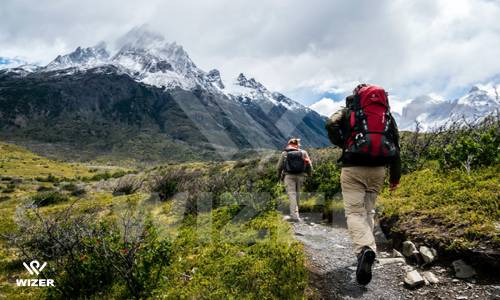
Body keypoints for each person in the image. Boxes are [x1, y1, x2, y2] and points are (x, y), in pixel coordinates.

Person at [326, 84, 401, 285]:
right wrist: (395, 178)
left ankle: (364, 250)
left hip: (353, 168)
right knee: (368, 211)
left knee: (354, 213)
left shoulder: (347, 112)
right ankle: (367, 250)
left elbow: (330, 124)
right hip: (378, 170)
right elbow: (396, 145)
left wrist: (344, 143)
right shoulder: (386, 116)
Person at [276, 138, 313, 222]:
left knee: (292, 195)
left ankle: (294, 216)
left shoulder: (285, 153)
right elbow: (309, 165)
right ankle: (296, 214)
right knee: (298, 195)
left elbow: (278, 167)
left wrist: (278, 178)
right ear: (298, 144)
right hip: (301, 176)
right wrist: (310, 175)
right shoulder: (303, 153)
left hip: (288, 176)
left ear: (289, 144)